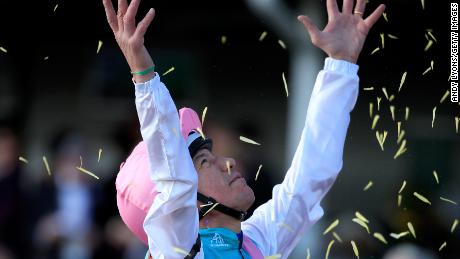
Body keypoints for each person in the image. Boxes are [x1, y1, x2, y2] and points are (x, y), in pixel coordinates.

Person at [102, 0, 385, 258]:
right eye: (204, 162)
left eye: (212, 158)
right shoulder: (176, 249)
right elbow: (170, 170)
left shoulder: (256, 240)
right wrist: (143, 75)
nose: (228, 162)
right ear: (181, 202)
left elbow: (312, 175)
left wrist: (341, 67)